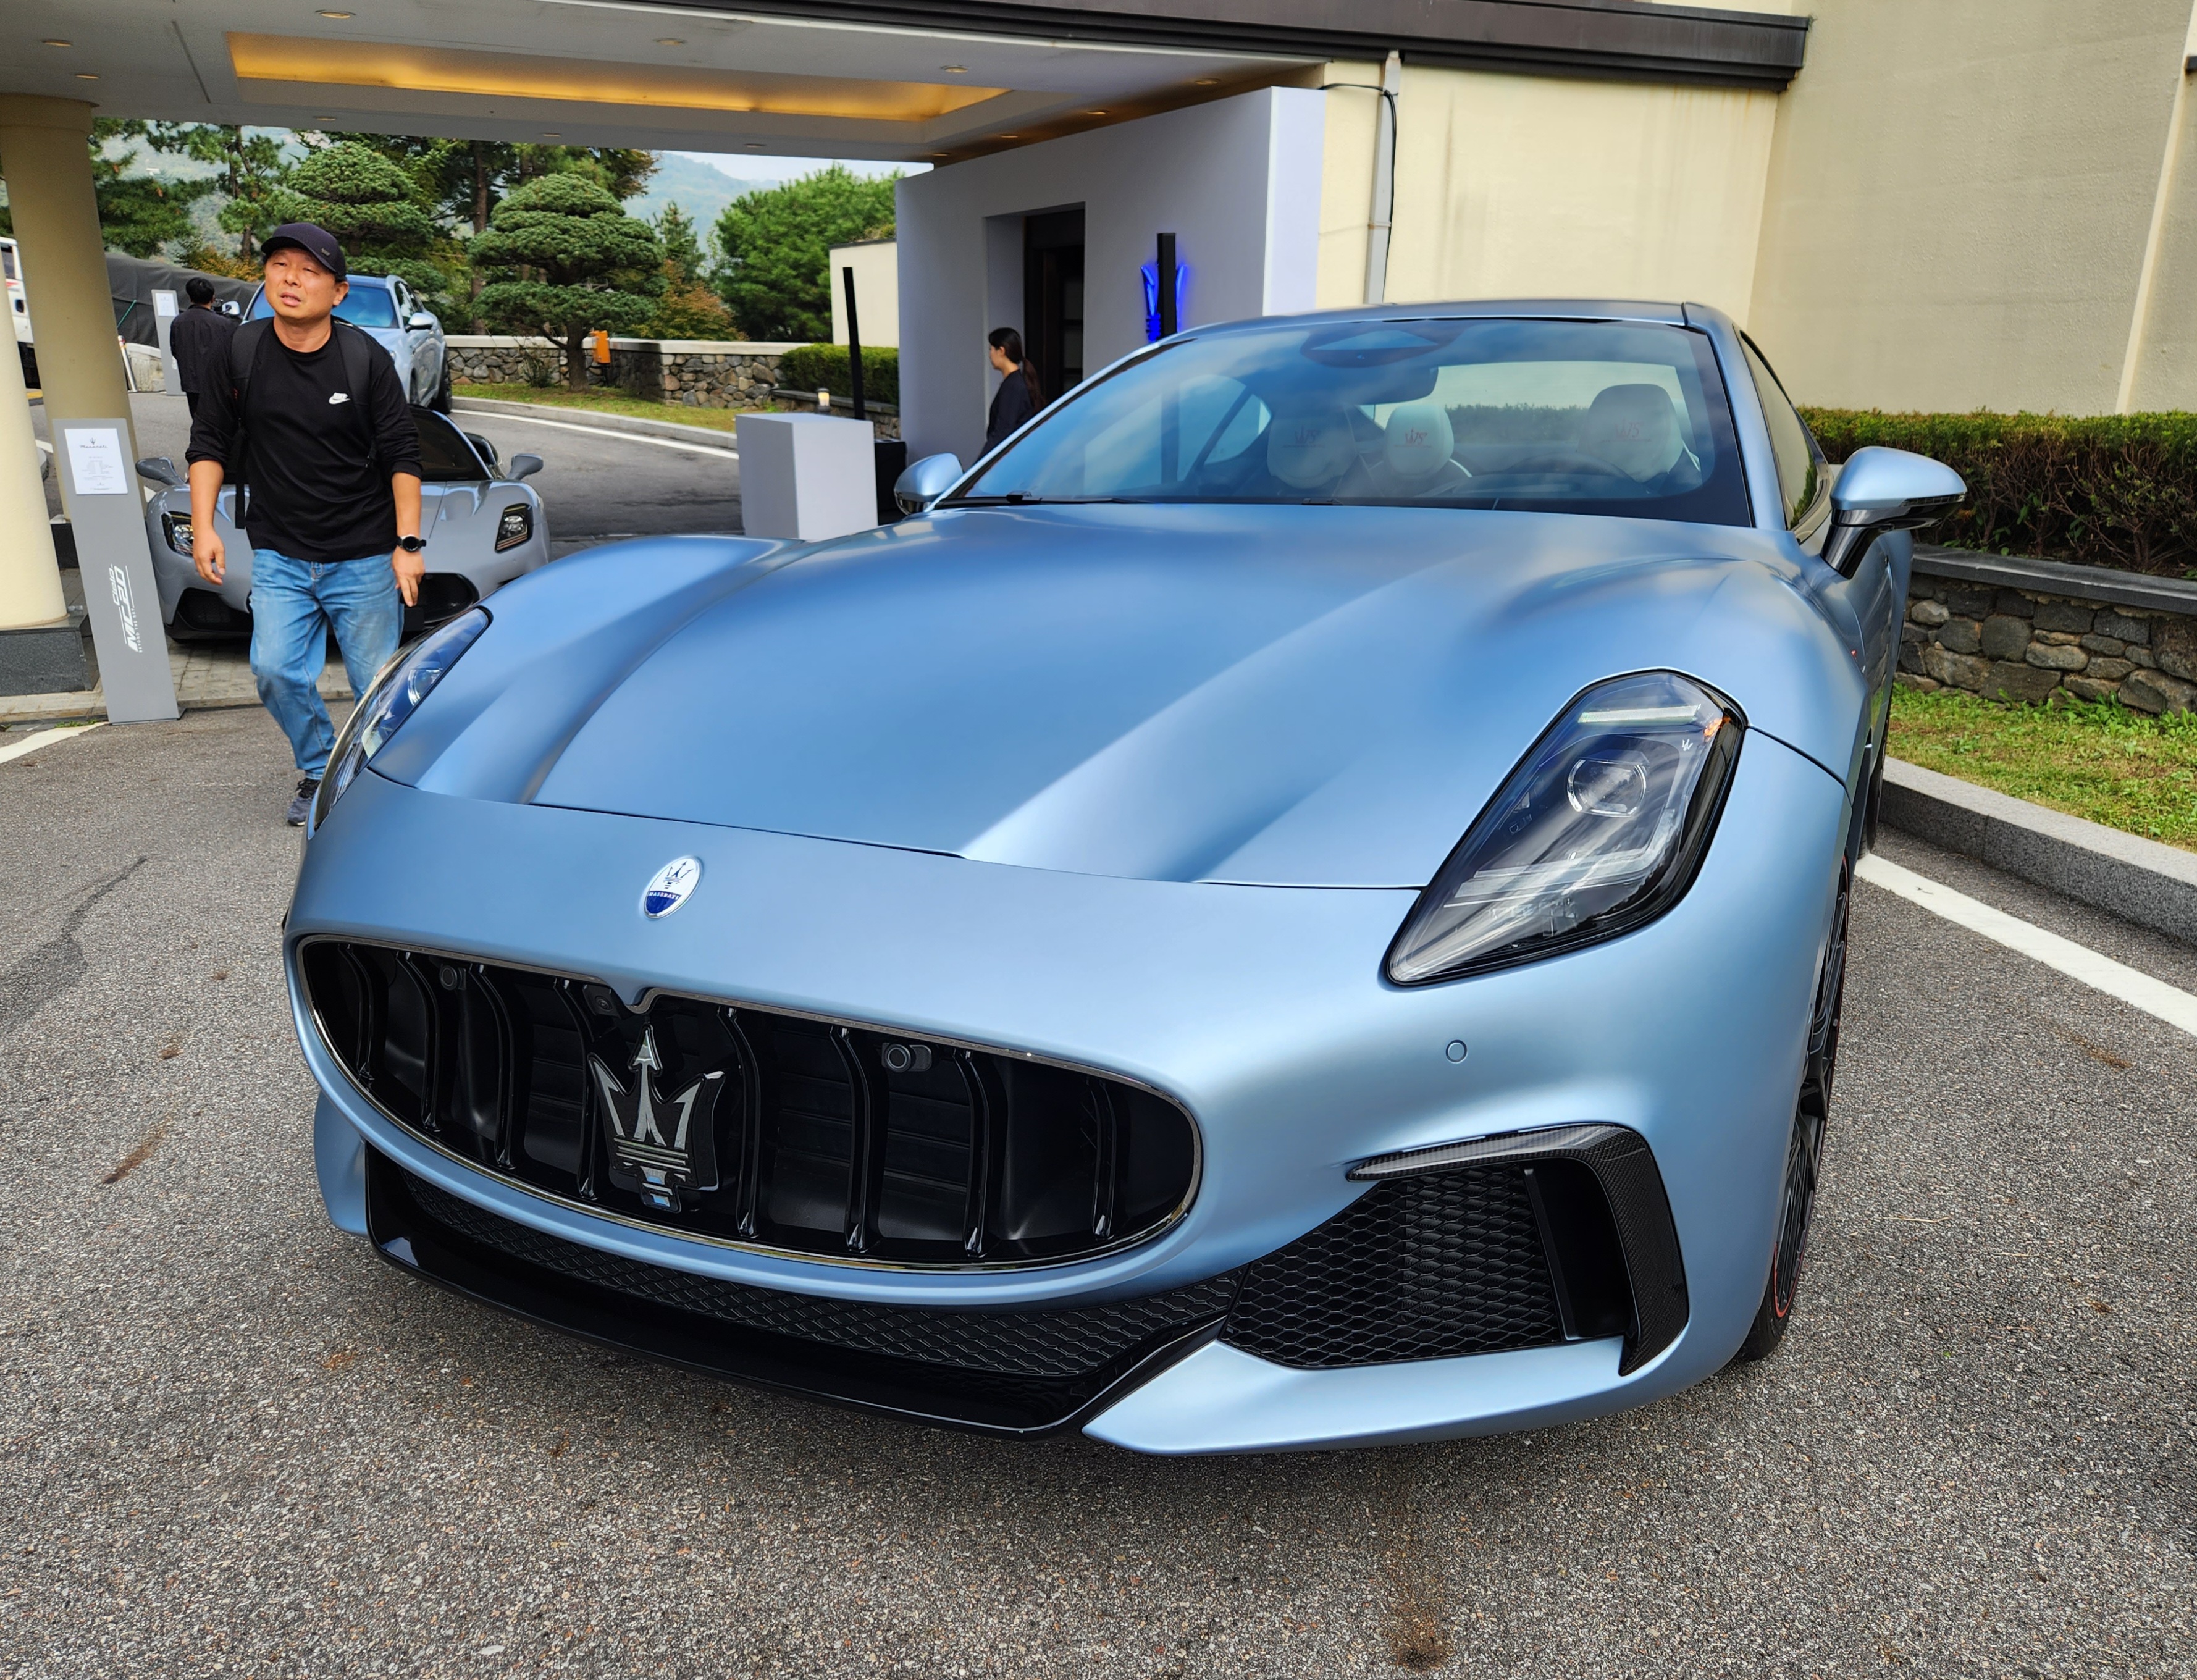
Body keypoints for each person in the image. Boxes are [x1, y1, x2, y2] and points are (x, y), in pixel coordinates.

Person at [185, 223, 424, 826]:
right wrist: (203, 526)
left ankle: (379, 779)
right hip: (280, 551)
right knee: (275, 670)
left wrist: (407, 543)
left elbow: (402, 454)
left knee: (376, 687)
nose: (291, 279)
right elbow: (208, 442)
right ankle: (321, 768)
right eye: (280, 266)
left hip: (364, 552)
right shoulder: (238, 352)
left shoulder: (364, 359)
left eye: (309, 271)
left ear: (338, 292)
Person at [167, 275, 234, 419]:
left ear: (190, 297)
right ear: (213, 298)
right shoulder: (224, 324)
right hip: (219, 382)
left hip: (191, 381)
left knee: (198, 419)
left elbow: (175, 350)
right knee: (221, 421)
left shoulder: (178, 322)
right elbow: (232, 353)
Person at [983, 327, 1042, 452]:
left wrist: (982, 462)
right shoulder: (1014, 383)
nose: (990, 355)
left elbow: (1002, 432)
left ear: (1001, 351)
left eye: (991, 349)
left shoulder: (1013, 387)